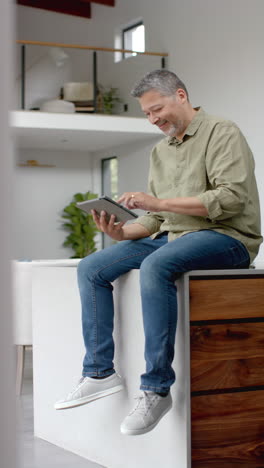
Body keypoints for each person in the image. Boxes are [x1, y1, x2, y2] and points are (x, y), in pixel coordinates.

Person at [54, 69, 262, 436]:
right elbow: (154, 220)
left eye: (157, 109)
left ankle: (156, 388)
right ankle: (99, 372)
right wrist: (120, 231)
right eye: (147, 114)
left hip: (227, 237)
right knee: (91, 267)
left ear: (181, 95)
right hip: (175, 236)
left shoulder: (222, 131)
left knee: (156, 265)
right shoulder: (160, 152)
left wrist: (159, 202)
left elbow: (231, 200)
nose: (153, 119)